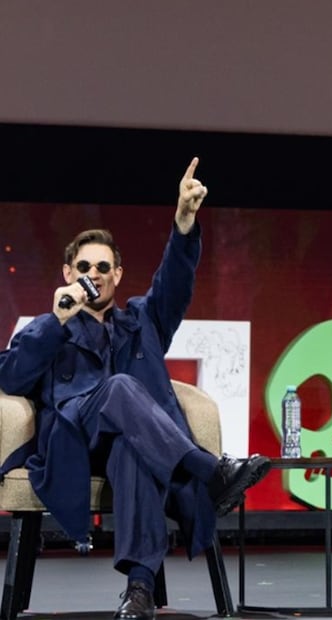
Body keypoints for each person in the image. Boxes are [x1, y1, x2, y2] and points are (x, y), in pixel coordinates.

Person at [0, 157, 271, 620]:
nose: (95, 274)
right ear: (68, 273)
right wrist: (58, 321)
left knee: (132, 450)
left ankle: (139, 591)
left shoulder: (142, 321)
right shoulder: (48, 328)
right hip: (74, 442)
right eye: (84, 266)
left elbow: (175, 284)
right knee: (120, 387)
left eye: (104, 267)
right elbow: (10, 378)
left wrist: (184, 224)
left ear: (118, 276)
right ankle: (209, 471)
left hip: (135, 441)